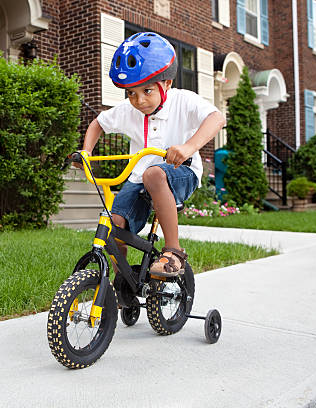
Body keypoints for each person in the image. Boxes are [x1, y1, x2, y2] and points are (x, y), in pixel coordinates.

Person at [78, 32, 225, 279]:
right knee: (114, 223)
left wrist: (188, 147)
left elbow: (217, 118)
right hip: (138, 177)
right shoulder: (128, 110)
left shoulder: (183, 100)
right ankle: (121, 282)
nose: (139, 100)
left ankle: (174, 251)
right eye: (131, 93)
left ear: (166, 83)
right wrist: (86, 151)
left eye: (147, 90)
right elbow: (98, 123)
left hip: (182, 172)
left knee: (154, 174)